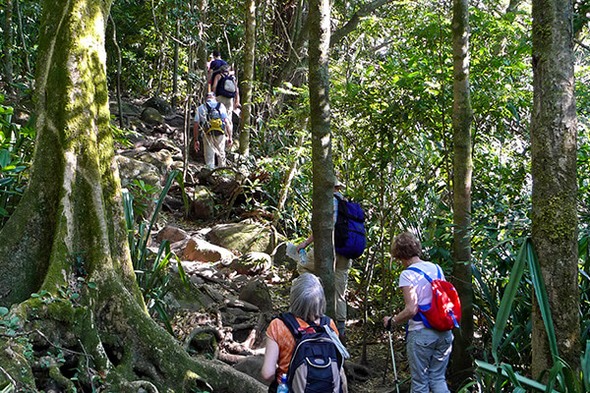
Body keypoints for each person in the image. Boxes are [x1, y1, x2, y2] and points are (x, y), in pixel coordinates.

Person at [382, 231, 453, 393]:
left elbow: (411, 309)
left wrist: (392, 321)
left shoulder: (408, 274)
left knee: (420, 383)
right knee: (437, 378)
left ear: (399, 254)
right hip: (444, 332)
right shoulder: (437, 268)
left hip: (422, 334)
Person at [261, 273, 347, 393]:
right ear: (321, 300)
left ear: (294, 297)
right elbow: (339, 368)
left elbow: (267, 374)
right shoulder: (329, 325)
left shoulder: (278, 325)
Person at [296, 179, 351, 338]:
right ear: (338, 188)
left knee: (303, 266)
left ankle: (309, 310)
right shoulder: (346, 204)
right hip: (346, 252)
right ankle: (340, 330)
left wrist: (305, 244)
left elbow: (323, 228)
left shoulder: (328, 202)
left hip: (329, 249)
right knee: (340, 292)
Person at [193, 92, 232, 169]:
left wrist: (196, 140)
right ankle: (222, 173)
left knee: (209, 157)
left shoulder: (200, 108)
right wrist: (230, 137)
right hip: (220, 133)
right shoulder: (221, 106)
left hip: (208, 134)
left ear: (206, 98)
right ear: (214, 98)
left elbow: (196, 124)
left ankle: (210, 174)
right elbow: (227, 122)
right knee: (221, 154)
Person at [211, 64, 240, 135]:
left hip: (220, 98)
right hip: (230, 99)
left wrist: (213, 96)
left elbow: (214, 87)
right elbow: (237, 90)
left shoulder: (219, 76)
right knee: (228, 117)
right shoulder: (232, 78)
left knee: (219, 114)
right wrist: (237, 101)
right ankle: (229, 135)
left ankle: (220, 132)